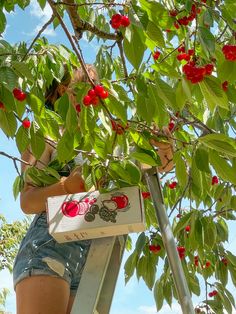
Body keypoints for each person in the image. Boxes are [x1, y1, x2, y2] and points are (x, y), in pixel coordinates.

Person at [13, 63, 174, 314]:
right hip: (48, 248)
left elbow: (160, 165)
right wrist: (66, 185)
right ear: (60, 92)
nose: (91, 92)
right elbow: (28, 201)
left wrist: (164, 147)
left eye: (94, 86)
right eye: (79, 86)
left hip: (93, 258)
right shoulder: (46, 135)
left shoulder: (108, 140)